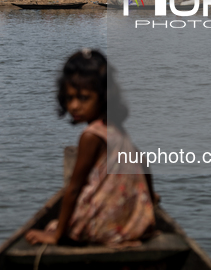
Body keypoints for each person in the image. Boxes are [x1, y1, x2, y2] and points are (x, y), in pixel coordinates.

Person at [25, 49, 157, 247]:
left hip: (102, 226)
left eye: (84, 98)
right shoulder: (115, 129)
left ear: (103, 97)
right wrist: (151, 198)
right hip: (134, 224)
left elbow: (74, 189)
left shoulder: (91, 136)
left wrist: (57, 235)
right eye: (70, 98)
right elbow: (143, 161)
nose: (75, 106)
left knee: (53, 226)